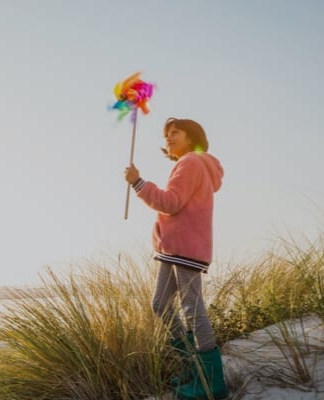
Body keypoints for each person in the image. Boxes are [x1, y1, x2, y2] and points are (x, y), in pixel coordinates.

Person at [124, 117, 228, 400]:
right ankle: (192, 366)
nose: (168, 138)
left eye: (175, 133)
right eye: (167, 134)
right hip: (174, 249)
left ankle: (212, 382)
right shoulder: (192, 164)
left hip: (185, 248)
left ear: (191, 137)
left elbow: (170, 203)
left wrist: (138, 183)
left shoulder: (192, 162)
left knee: (192, 309)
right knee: (160, 303)